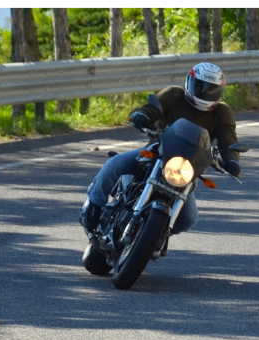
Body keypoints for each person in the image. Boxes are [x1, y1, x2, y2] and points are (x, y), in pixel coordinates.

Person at [80, 62, 242, 236]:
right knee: (114, 164)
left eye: (211, 90)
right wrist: (141, 115)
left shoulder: (222, 112)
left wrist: (231, 159)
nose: (205, 93)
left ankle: (153, 239)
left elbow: (228, 138)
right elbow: (151, 108)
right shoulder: (174, 94)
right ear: (190, 81)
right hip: (157, 153)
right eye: (200, 86)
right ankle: (94, 206)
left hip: (188, 168)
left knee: (189, 218)